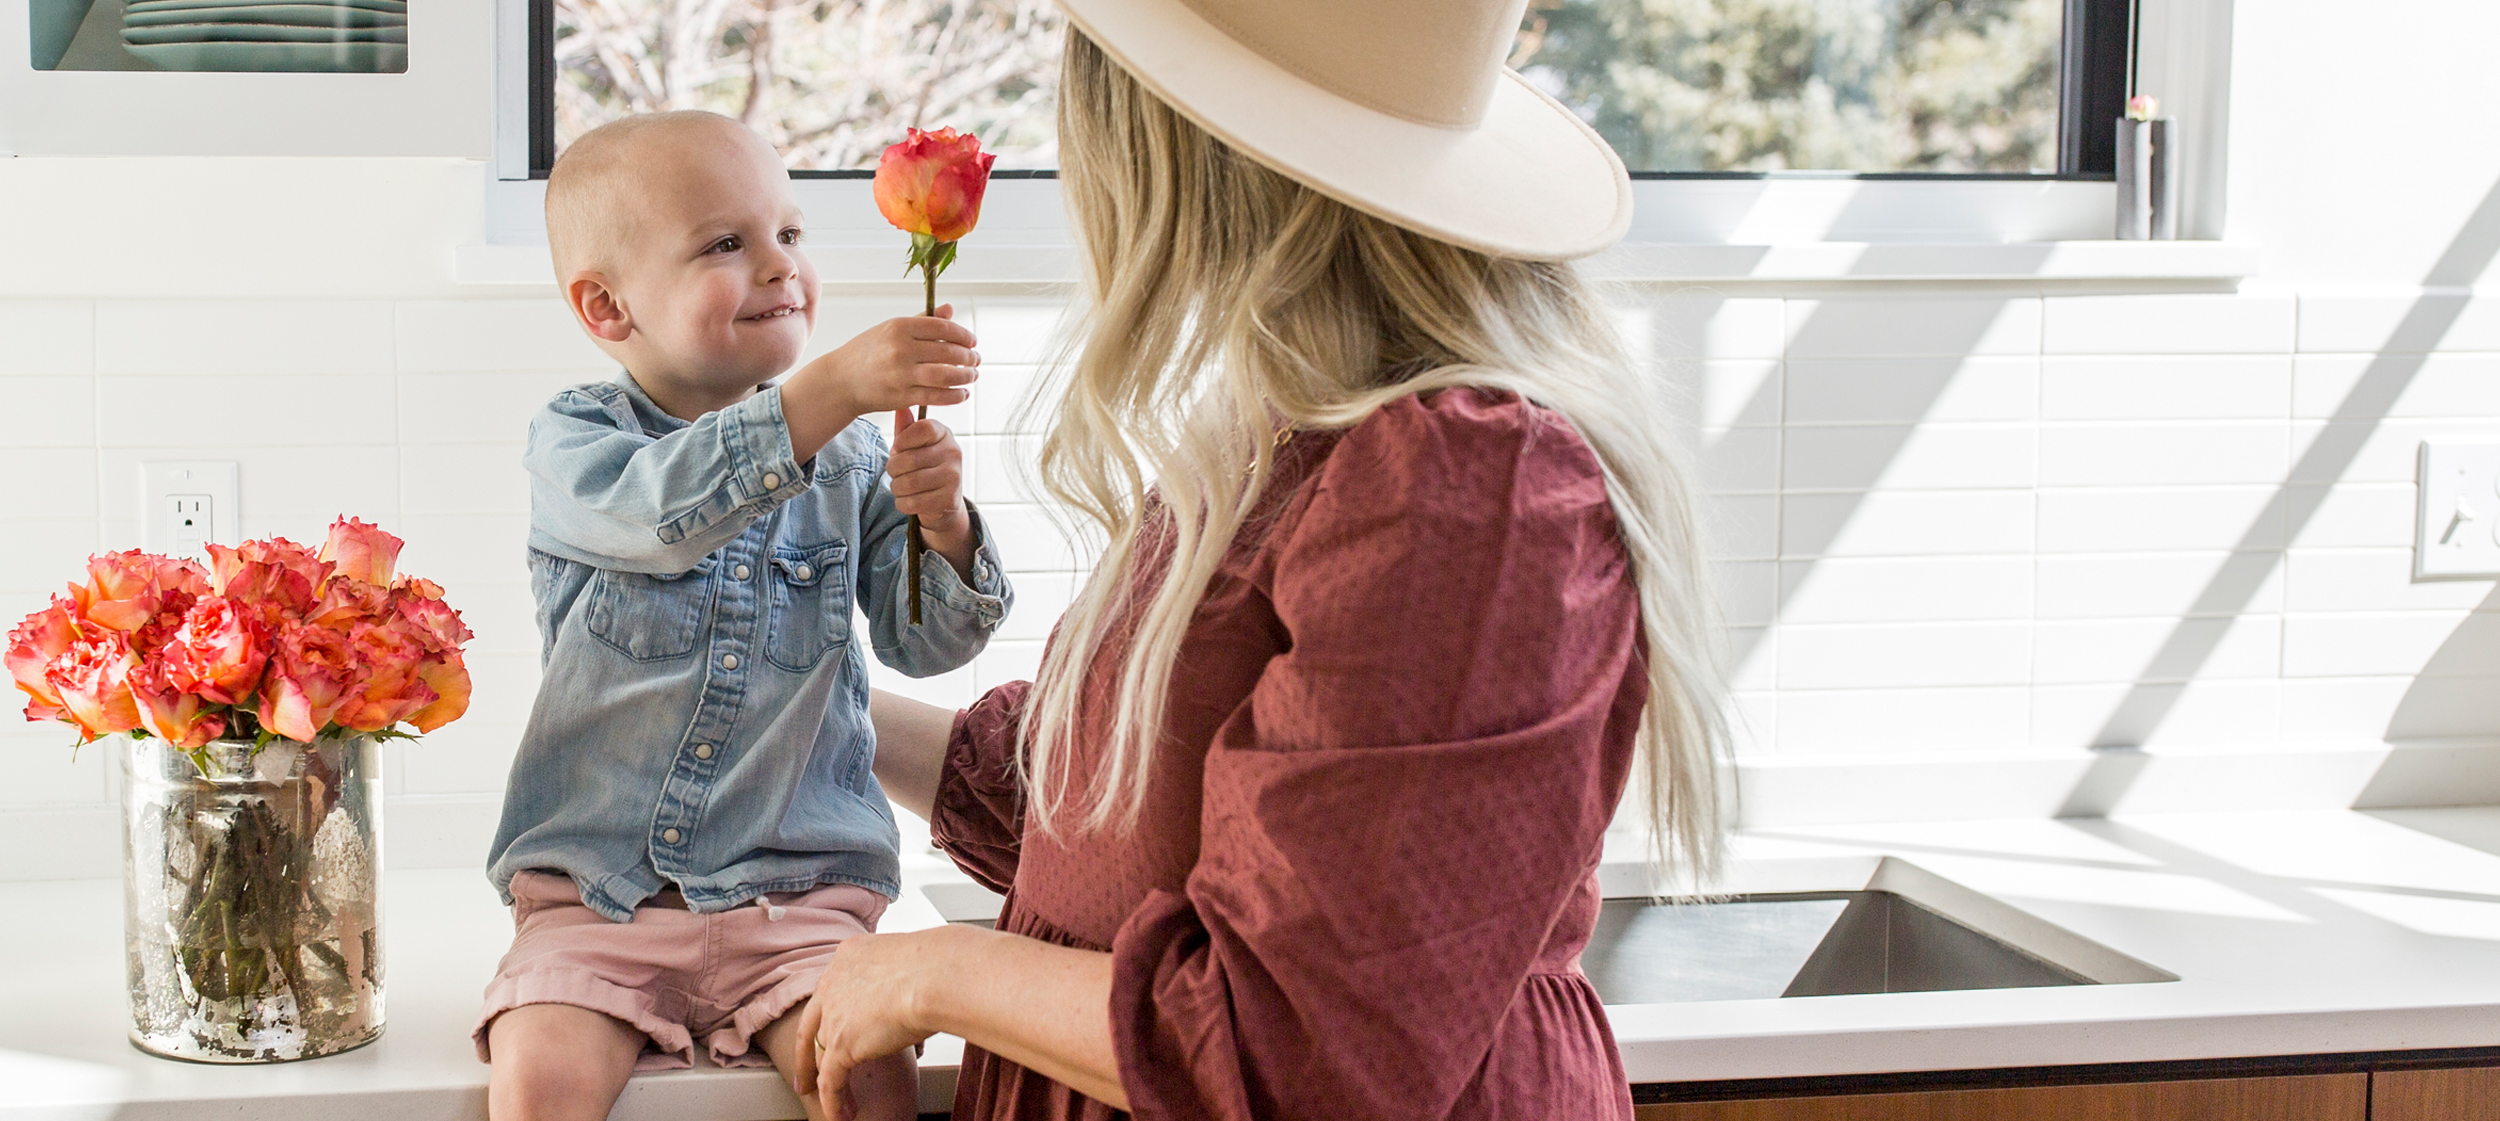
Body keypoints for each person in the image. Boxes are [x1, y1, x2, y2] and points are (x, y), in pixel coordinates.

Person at [781, 1, 1735, 1118]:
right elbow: (1096, 813)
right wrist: (792, 708)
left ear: (1176, 152)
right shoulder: (1282, 435)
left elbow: (1297, 1048)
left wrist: (927, 970)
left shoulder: (1466, 483)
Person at [477, 110, 1018, 1121]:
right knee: (538, 1076)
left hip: (804, 900)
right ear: (604, 306)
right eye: (727, 244)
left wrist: (942, 526)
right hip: (598, 903)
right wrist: (833, 387)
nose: (778, 267)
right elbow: (662, 515)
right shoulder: (576, 446)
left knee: (867, 1076)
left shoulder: (852, 457)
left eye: (791, 234)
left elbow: (925, 642)